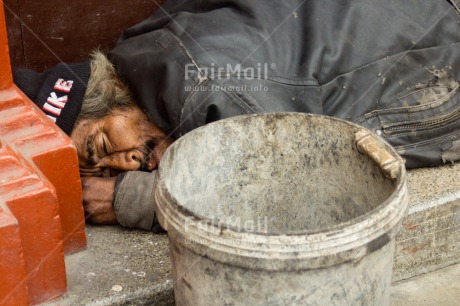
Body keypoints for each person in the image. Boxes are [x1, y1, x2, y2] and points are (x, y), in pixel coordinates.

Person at [14, 0, 460, 231]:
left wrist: (128, 201)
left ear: (111, 92)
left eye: (103, 146)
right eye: (99, 170)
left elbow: (289, 199)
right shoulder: (141, 46)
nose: (123, 165)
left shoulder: (215, 95)